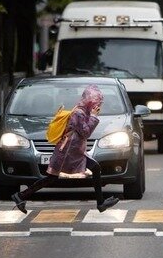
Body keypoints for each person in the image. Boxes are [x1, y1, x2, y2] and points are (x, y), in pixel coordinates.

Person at [11, 84, 119, 213]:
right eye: (96, 103)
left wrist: (92, 116)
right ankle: (20, 196)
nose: (98, 106)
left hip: (73, 151)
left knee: (92, 169)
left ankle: (100, 203)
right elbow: (85, 132)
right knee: (53, 177)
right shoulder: (78, 113)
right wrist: (94, 117)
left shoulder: (83, 112)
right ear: (90, 102)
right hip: (67, 153)